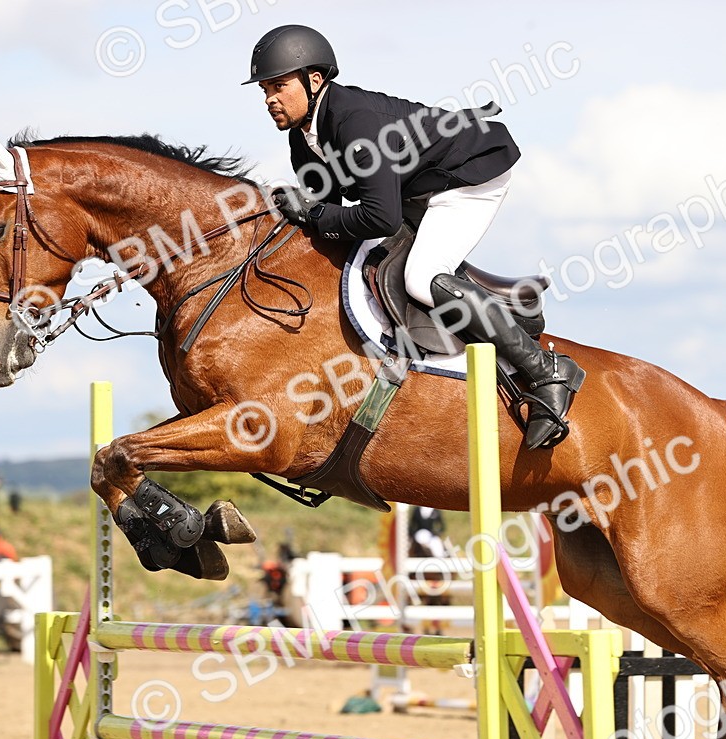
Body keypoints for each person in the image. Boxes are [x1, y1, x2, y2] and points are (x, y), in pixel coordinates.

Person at [245, 25, 585, 450]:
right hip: (415, 187)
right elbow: (329, 215)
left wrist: (312, 212)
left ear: (314, 81)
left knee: (421, 278)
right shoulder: (303, 137)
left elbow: (379, 218)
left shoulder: (356, 125)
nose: (269, 99)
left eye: (278, 86)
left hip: (466, 178)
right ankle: (504, 310)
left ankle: (545, 370)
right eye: (263, 90)